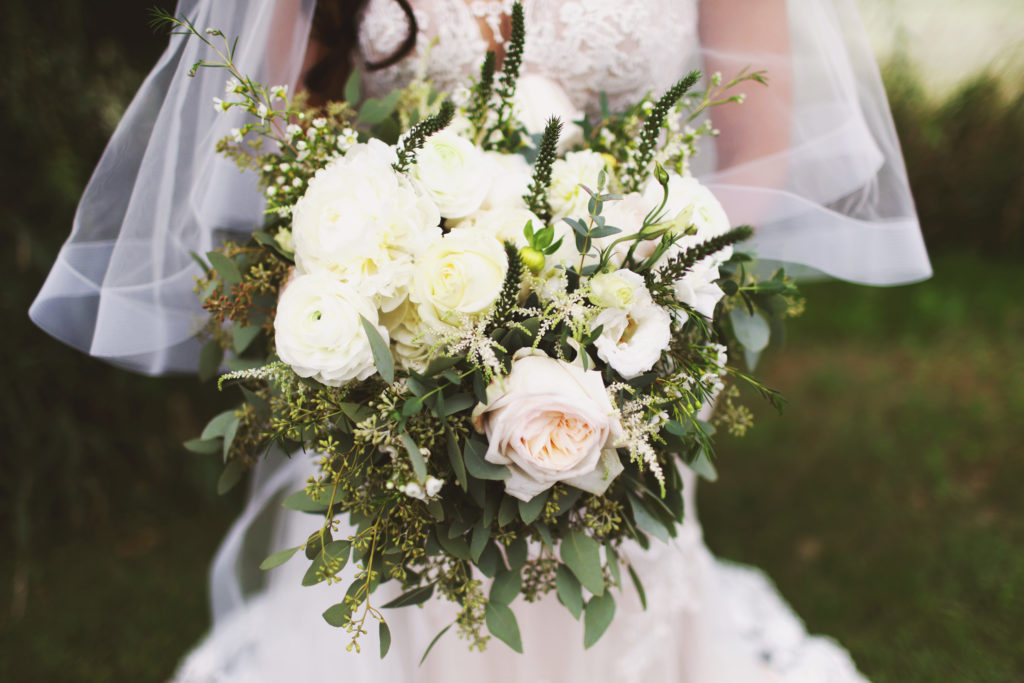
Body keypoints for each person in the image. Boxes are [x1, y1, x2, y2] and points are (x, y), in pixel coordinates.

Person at [30, 1, 932, 681]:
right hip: (398, 353)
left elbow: (759, 151)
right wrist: (362, 284)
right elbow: (278, 127)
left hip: (623, 343)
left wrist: (635, 288)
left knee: (606, 597)